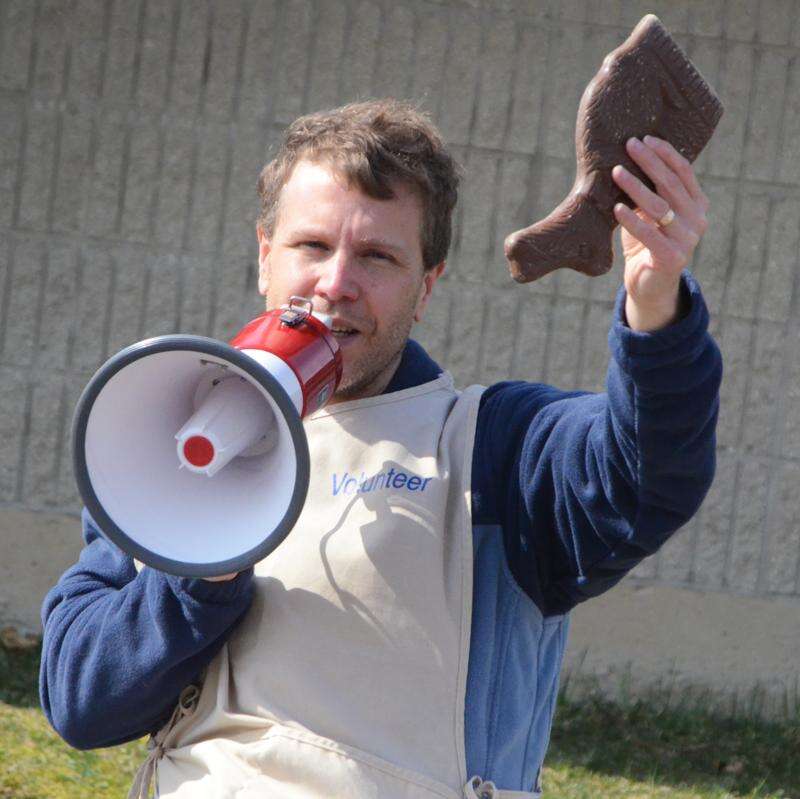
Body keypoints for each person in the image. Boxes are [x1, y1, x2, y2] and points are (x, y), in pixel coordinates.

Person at [40, 99, 721, 799]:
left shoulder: (495, 447)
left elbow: (647, 476)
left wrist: (655, 308)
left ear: (425, 287)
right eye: (312, 246)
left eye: (376, 257)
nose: (335, 284)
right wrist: (202, 575)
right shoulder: (166, 432)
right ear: (265, 256)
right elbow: (81, 701)